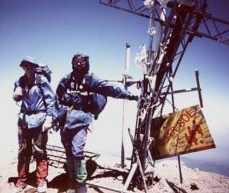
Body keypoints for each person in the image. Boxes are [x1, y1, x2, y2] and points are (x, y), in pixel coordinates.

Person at [55, 53, 138, 193]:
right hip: (65, 119)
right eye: (76, 63)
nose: (79, 66)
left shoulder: (91, 79)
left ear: (87, 65)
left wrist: (130, 95)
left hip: (81, 119)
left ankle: (81, 184)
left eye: (82, 64)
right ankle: (71, 179)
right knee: (68, 150)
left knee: (77, 151)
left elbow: (110, 88)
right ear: (72, 64)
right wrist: (55, 118)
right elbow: (58, 98)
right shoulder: (66, 79)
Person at [13, 57, 56, 193]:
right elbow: (16, 97)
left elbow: (50, 99)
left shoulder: (41, 81)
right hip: (24, 118)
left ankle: (41, 181)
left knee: (40, 150)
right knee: (23, 150)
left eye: (31, 66)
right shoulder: (19, 81)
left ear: (35, 67)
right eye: (25, 66)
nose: (28, 68)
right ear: (22, 67)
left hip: (39, 118)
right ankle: (21, 180)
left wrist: (49, 118)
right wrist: (16, 95)